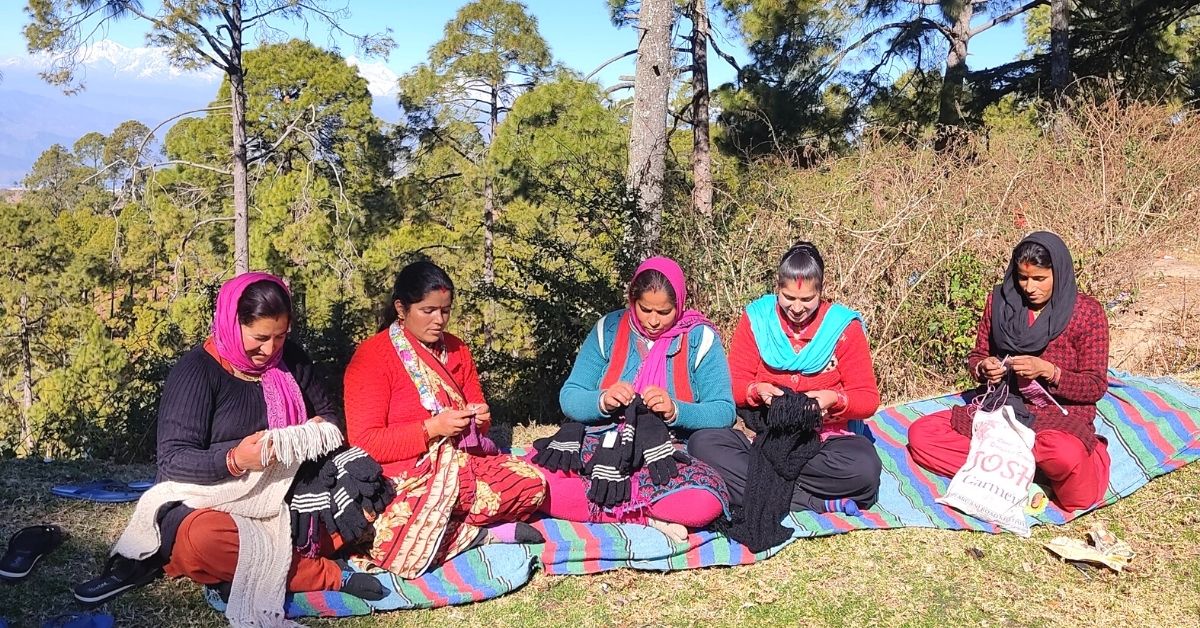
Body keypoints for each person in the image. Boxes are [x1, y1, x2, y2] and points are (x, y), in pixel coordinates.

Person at [74, 272, 383, 607]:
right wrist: (235, 459)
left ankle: (243, 570)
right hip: (210, 500)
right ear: (231, 322)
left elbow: (330, 416)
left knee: (366, 492)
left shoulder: (290, 359)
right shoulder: (197, 371)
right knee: (201, 541)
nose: (270, 349)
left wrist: (316, 428)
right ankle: (325, 574)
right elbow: (174, 460)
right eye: (260, 337)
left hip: (286, 492)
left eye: (280, 336)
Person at [343, 261, 547, 579]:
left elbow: (477, 416)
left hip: (462, 466)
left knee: (532, 485)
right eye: (428, 311)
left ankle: (443, 529)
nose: (439, 320)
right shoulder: (372, 357)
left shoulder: (457, 350)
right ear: (401, 308)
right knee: (392, 543)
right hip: (401, 480)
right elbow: (365, 442)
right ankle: (480, 534)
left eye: (446, 311)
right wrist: (431, 429)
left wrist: (479, 418)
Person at [907, 231, 1111, 512]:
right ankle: (1027, 475)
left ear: (1059, 274)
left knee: (1067, 462)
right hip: (1004, 409)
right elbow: (978, 355)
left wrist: (1050, 371)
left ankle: (1009, 469)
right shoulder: (1000, 302)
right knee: (923, 435)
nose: (1029, 287)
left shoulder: (1086, 313)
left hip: (1055, 419)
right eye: (1022, 277)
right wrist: (984, 367)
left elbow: (1095, 385)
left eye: (1039, 279)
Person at [533, 256, 734, 541]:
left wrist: (676, 410)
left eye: (664, 312)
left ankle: (603, 507)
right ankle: (646, 516)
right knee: (535, 476)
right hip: (602, 443)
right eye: (645, 309)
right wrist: (602, 400)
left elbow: (724, 411)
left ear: (679, 304)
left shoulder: (700, 340)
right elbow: (570, 396)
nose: (653, 321)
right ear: (632, 300)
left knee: (705, 502)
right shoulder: (609, 330)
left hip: (666, 450)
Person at [689, 242, 883, 515]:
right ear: (777, 288)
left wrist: (834, 399)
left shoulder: (843, 328)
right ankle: (811, 501)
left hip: (823, 440)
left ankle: (764, 490)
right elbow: (733, 384)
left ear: (821, 292)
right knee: (702, 445)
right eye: (788, 297)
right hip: (763, 436)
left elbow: (867, 398)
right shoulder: (757, 319)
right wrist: (757, 391)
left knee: (864, 470)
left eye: (807, 300)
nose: (797, 308)